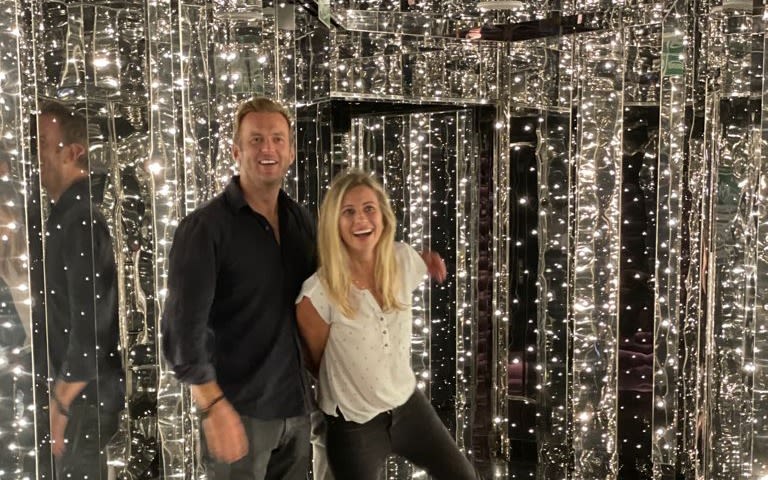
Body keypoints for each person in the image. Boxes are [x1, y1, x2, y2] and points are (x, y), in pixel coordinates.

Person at [161, 96, 316, 480]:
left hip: (296, 411)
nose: (269, 149)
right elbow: (182, 331)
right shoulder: (206, 229)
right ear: (236, 150)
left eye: (278, 139)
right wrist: (213, 407)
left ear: (292, 151)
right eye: (256, 140)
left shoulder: (300, 221)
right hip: (238, 412)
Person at [295, 171, 478, 480]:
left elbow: (422, 261)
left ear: (383, 215)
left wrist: (429, 259)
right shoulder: (318, 293)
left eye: (369, 208)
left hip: (407, 405)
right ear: (333, 223)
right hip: (354, 423)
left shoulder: (403, 260)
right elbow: (315, 361)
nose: (361, 220)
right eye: (348, 212)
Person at [37, 101, 124, 478]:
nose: (34, 154)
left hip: (84, 401)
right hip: (80, 397)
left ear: (74, 153)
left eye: (41, 142)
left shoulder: (81, 218)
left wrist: (61, 403)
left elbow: (91, 320)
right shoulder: (64, 215)